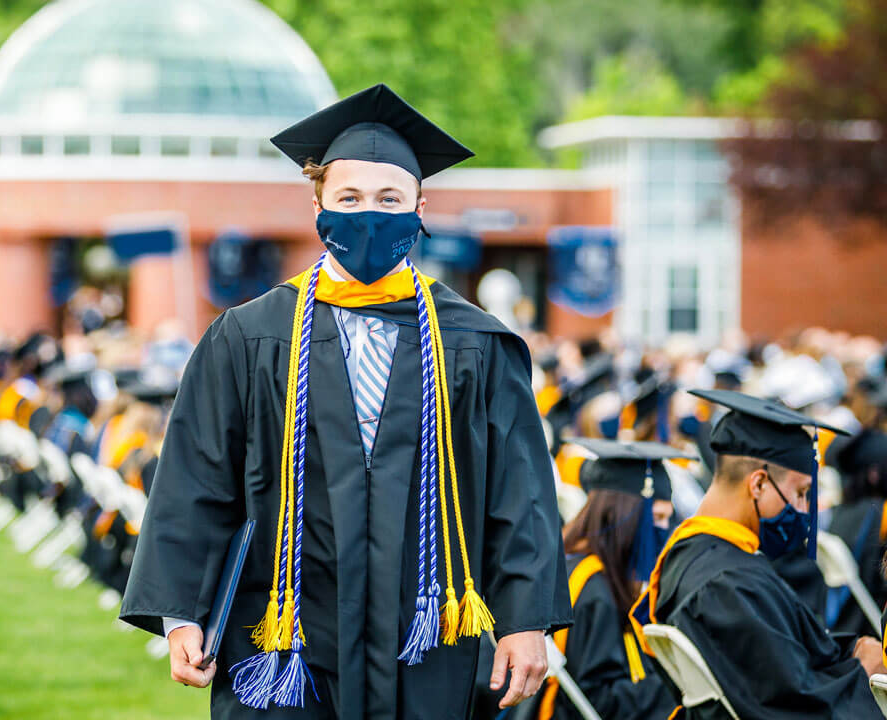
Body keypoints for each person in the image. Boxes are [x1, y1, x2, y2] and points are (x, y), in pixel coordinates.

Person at [120, 84, 569, 719]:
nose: (369, 215)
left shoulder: (473, 343)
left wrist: (527, 618)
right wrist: (181, 616)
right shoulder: (250, 336)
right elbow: (195, 478)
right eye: (349, 198)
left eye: (389, 199)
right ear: (317, 205)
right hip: (281, 634)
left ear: (421, 205)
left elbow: (519, 490)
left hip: (426, 626)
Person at [630, 389, 882, 719]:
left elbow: (781, 663)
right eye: (801, 493)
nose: (806, 509)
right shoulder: (729, 584)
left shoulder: (690, 554)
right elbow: (794, 706)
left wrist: (848, 651)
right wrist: (861, 671)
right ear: (758, 484)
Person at [532, 438, 678, 720]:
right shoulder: (596, 592)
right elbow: (598, 699)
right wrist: (674, 680)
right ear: (627, 515)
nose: (664, 530)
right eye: (657, 517)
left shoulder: (573, 562)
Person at [826, 428, 887, 635]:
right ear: (874, 474)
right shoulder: (879, 515)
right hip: (871, 630)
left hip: (845, 628)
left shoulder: (843, 511)